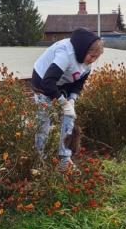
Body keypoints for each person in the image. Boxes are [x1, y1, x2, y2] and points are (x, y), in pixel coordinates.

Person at [32, 28, 103, 170]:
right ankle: (39, 159)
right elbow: (48, 83)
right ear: (84, 50)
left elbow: (78, 83)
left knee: (69, 117)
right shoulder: (65, 54)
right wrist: (63, 103)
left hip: (62, 84)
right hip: (43, 82)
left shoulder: (86, 62)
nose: (92, 61)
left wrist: (72, 100)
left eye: (96, 57)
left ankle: (64, 158)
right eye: (92, 56)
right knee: (43, 122)